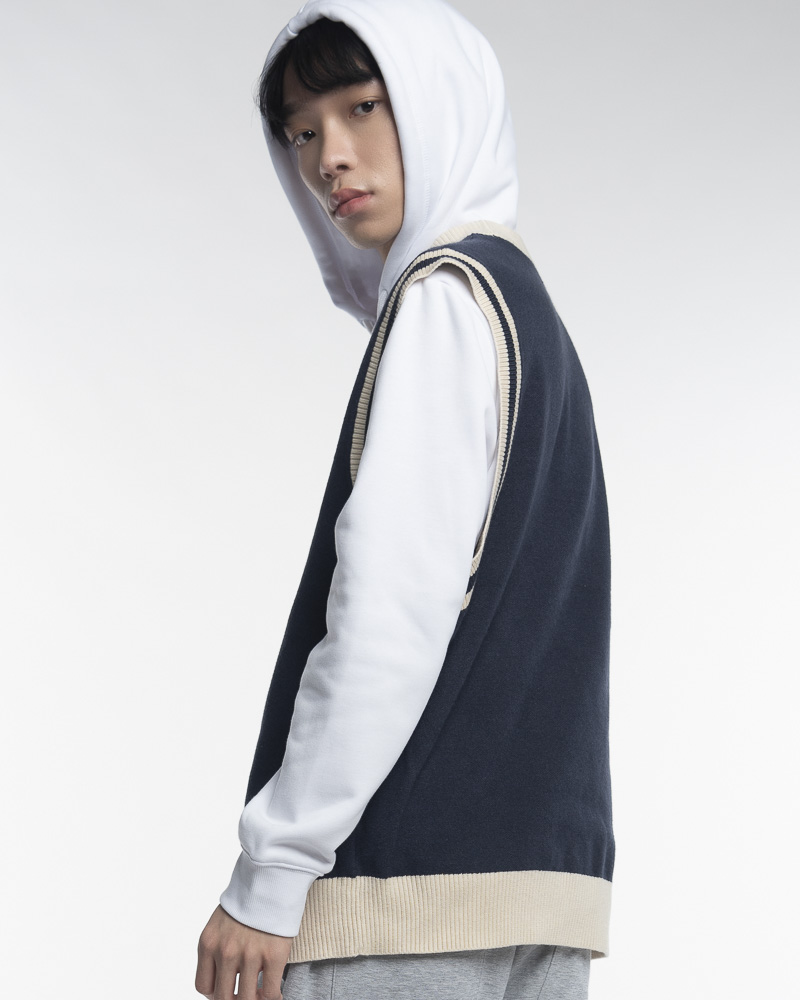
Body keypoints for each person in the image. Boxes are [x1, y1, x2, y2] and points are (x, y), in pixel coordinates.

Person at [195, 2, 615, 998]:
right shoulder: (523, 311)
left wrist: (275, 868)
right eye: (301, 131)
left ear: (438, 101)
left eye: (362, 106)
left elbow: (388, 614)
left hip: (403, 902)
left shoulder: (441, 300)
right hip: (541, 889)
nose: (328, 158)